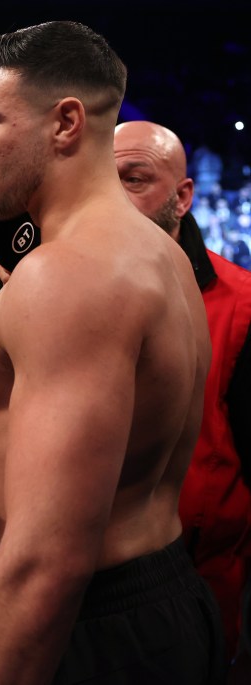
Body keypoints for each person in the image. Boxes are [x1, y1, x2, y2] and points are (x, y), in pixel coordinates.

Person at [0, 21, 227, 684]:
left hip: (87, 621)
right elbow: (101, 460)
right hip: (150, 597)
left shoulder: (69, 273)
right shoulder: (157, 254)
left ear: (65, 123)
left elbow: (46, 559)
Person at [114, 119, 251, 677]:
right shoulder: (57, 289)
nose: (116, 200)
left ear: (183, 197)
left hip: (200, 584)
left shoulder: (240, 305)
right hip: (86, 591)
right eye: (105, 181)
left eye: (135, 179)